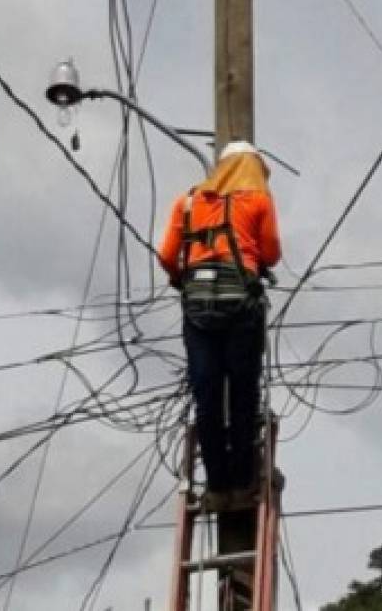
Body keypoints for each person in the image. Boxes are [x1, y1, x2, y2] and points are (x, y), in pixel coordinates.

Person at [158, 141, 281, 506]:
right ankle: (243, 481)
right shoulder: (258, 201)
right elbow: (272, 252)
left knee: (207, 396)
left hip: (197, 311)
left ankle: (217, 485)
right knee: (243, 394)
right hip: (241, 308)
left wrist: (186, 278)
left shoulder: (188, 202)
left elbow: (166, 255)